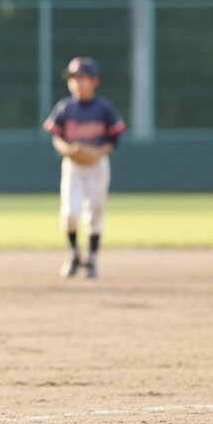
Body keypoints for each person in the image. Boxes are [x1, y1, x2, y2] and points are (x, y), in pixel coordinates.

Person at [43, 57, 126, 279]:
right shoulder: (65, 107)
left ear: (94, 81)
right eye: (73, 78)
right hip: (73, 166)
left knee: (95, 213)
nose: (77, 82)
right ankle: (73, 254)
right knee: (70, 214)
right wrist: (67, 150)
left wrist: (97, 152)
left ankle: (91, 260)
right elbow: (56, 137)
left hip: (97, 166)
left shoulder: (104, 108)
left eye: (82, 78)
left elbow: (114, 139)